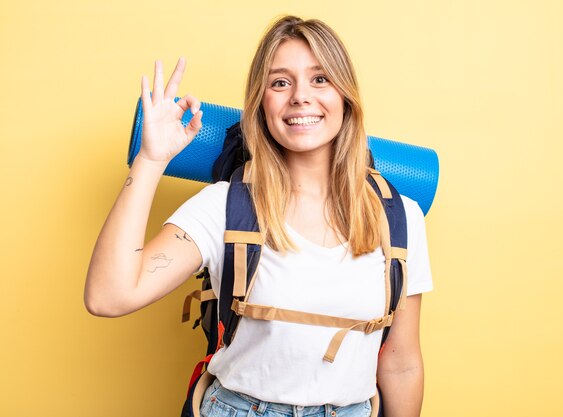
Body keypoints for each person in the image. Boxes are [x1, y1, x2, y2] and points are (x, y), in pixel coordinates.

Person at [85, 15, 432, 417]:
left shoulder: (399, 218)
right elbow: (108, 297)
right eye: (280, 82)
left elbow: (402, 363)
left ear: (346, 97)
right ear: (261, 104)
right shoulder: (224, 206)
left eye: (320, 79)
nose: (300, 96)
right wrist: (150, 160)